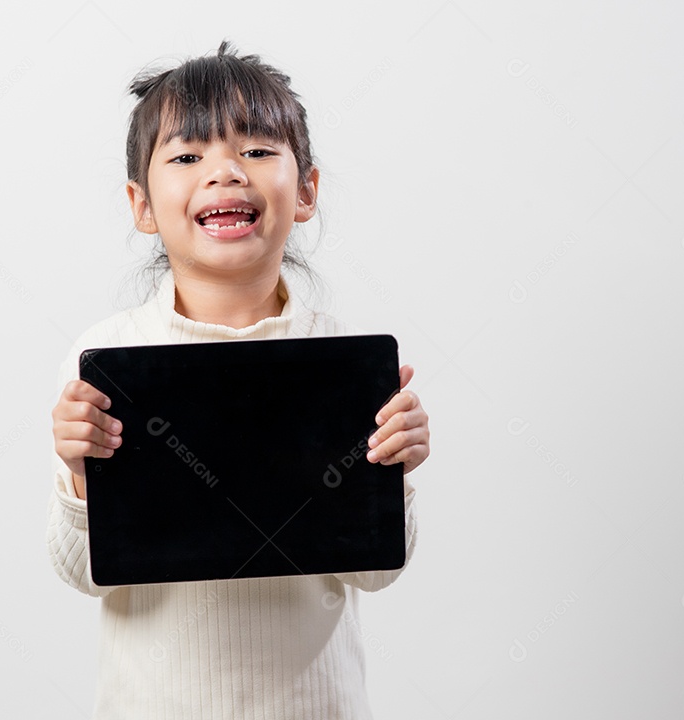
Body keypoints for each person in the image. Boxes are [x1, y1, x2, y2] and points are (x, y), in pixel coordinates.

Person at [46, 40, 429, 719]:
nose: (224, 172)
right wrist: (81, 476)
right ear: (142, 205)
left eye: (255, 150)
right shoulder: (110, 355)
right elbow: (83, 574)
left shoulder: (338, 358)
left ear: (306, 190)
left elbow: (377, 572)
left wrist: (391, 473)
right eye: (188, 157)